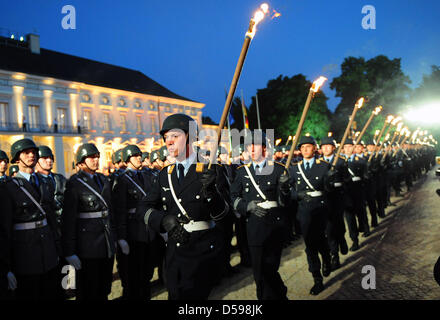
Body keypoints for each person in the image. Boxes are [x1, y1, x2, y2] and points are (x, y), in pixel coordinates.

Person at [138, 113, 229, 300]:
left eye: (175, 136)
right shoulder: (165, 174)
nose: (168, 142)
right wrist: (164, 221)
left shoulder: (211, 169)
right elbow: (143, 208)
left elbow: (224, 215)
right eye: (166, 138)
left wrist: (212, 194)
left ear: (190, 137)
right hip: (174, 252)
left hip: (202, 251)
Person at [231, 130, 291, 300]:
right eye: (248, 146)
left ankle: (280, 293)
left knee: (270, 268)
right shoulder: (242, 172)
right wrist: (246, 206)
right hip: (254, 226)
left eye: (254, 146)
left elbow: (286, 202)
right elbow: (233, 197)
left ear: (264, 149)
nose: (250, 149)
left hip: (274, 225)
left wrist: (285, 189)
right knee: (258, 271)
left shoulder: (278, 169)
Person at [2, 138, 60, 300]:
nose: (31, 155)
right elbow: (4, 230)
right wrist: (6, 267)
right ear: (16, 158)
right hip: (25, 254)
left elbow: (52, 219)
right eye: (26, 153)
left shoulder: (45, 182)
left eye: (34, 152)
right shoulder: (9, 187)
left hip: (48, 250)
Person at [62, 143, 116, 300]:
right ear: (80, 161)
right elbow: (69, 220)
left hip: (105, 242)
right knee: (88, 289)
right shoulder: (75, 183)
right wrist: (70, 251)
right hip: (87, 245)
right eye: (91, 157)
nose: (95, 160)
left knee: (104, 287)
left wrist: (115, 237)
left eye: (97, 157)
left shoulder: (103, 179)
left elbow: (110, 212)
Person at [288, 136, 333, 295]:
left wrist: (331, 181)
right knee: (310, 245)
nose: (305, 149)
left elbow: (330, 190)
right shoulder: (294, 168)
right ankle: (317, 278)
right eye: (302, 147)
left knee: (320, 240)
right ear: (299, 150)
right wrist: (297, 195)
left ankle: (327, 258)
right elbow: (288, 191)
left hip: (320, 209)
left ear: (315, 148)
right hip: (304, 211)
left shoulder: (325, 166)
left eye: (309, 146)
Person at [112, 144, 157, 300]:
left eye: (140, 155)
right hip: (133, 233)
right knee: (133, 274)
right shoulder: (122, 180)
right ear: (127, 159)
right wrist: (122, 237)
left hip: (147, 231)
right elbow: (120, 210)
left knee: (147, 271)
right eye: (135, 156)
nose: (139, 158)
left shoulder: (146, 176)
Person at [319, 137, 349, 271]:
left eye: (328, 146)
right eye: (323, 146)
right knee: (329, 229)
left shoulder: (341, 161)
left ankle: (342, 238)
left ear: (333, 148)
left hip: (338, 197)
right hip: (325, 199)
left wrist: (339, 183)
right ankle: (334, 256)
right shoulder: (319, 163)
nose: (326, 148)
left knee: (339, 224)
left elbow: (347, 178)